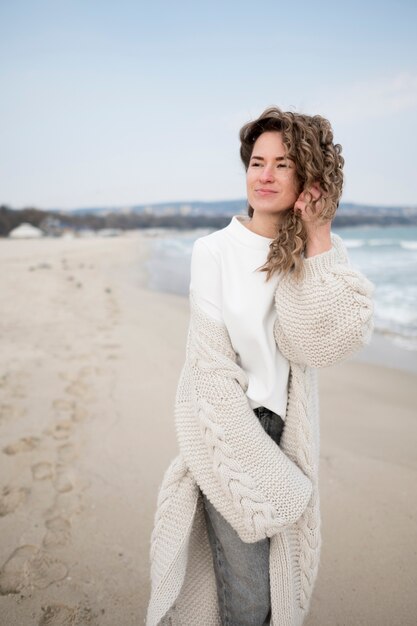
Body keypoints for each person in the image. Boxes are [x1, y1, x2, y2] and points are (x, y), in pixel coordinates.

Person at [146, 107, 374, 626]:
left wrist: (318, 237)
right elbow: (209, 370)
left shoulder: (313, 254)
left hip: (291, 434)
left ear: (306, 176)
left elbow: (326, 343)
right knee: (249, 601)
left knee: (283, 591)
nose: (265, 175)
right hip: (231, 431)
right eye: (256, 162)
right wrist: (261, 465)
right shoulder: (214, 252)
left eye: (282, 163)